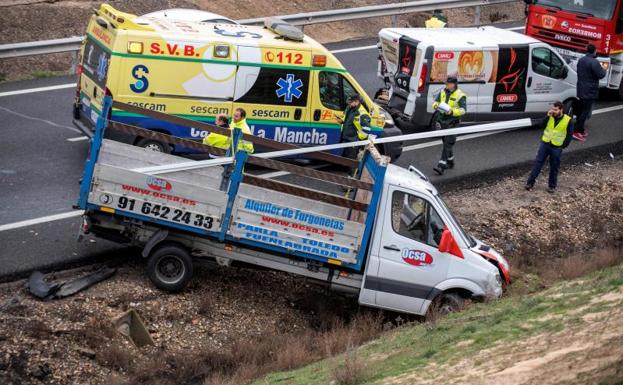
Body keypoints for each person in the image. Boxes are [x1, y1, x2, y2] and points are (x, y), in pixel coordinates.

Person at [525, 101, 574, 193]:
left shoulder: (568, 120)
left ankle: (552, 186)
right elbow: (541, 125)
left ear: (561, 110)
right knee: (538, 163)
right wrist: (547, 116)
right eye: (553, 109)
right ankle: (530, 183)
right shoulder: (550, 116)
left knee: (554, 167)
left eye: (555, 110)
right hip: (545, 144)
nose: (553, 111)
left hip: (556, 147)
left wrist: (563, 146)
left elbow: (569, 135)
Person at [432, 76, 466, 176]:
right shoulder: (442, 92)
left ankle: (441, 166)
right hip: (442, 121)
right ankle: (450, 162)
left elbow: (463, 110)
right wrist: (436, 106)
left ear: (454, 84)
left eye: (448, 84)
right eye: (446, 83)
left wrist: (451, 112)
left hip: (453, 122)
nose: (446, 85)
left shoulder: (460, 95)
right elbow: (435, 102)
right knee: (446, 143)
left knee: (448, 143)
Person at [574, 43, 606, 142]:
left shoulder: (581, 60)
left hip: (581, 88)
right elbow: (601, 75)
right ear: (594, 51)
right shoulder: (594, 62)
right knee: (585, 112)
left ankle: (581, 130)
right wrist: (604, 69)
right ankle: (576, 131)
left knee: (581, 111)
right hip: (590, 90)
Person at [335, 94, 371, 164]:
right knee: (345, 159)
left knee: (351, 161)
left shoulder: (362, 113)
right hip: (346, 138)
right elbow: (345, 117)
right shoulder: (350, 107)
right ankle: (346, 173)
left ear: (357, 102)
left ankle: (350, 174)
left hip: (353, 142)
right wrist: (342, 121)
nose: (349, 103)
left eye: (351, 102)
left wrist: (358, 139)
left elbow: (366, 129)